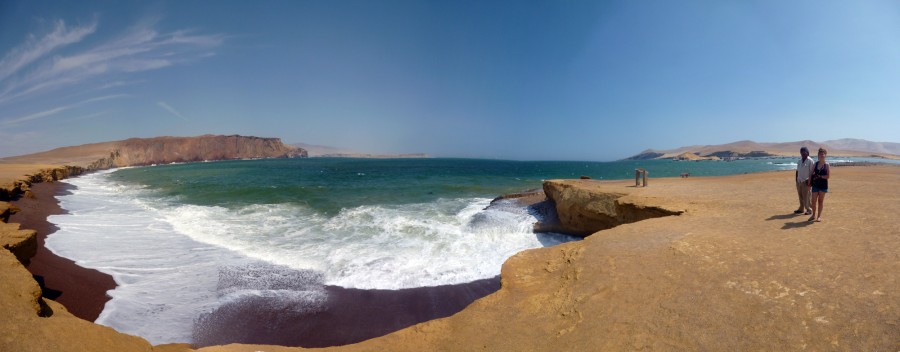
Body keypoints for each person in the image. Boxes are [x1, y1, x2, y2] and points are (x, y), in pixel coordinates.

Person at [809, 147, 830, 222]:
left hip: (823, 186)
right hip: (815, 185)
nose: (822, 155)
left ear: (825, 155)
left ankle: (819, 216)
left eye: (823, 154)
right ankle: (813, 215)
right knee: (813, 201)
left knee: (820, 201)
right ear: (818, 155)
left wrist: (820, 176)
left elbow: (828, 176)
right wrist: (809, 183)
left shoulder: (827, 165)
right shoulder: (815, 164)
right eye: (820, 154)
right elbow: (811, 174)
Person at [794, 147, 814, 215]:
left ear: (807, 153)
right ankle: (801, 208)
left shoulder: (810, 161)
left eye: (804, 152)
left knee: (807, 197)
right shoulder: (799, 161)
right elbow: (797, 171)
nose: (802, 153)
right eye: (801, 152)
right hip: (799, 182)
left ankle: (809, 210)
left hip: (806, 182)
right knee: (800, 196)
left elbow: (812, 172)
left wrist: (809, 181)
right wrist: (796, 180)